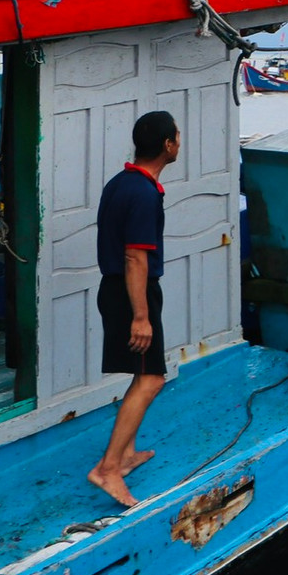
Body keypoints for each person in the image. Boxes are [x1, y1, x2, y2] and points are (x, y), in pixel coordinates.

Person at [86, 110, 180, 507]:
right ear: (167, 145)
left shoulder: (122, 182)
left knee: (144, 373)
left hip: (117, 290)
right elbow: (135, 258)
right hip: (131, 293)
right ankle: (108, 469)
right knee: (151, 379)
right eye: (177, 137)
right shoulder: (142, 193)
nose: (179, 142)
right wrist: (141, 316)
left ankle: (125, 454)